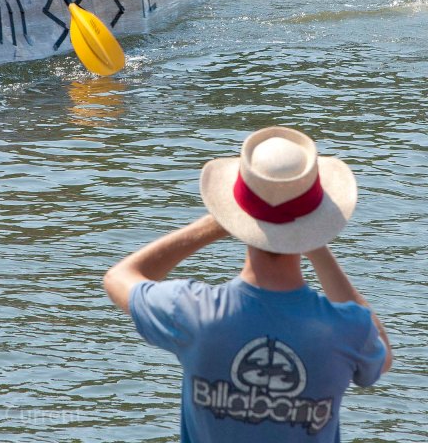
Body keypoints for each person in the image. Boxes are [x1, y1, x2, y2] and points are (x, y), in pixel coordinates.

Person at [103, 126, 392, 442]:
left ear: (236, 214)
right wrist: (315, 242)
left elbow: (118, 277)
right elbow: (382, 356)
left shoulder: (191, 311)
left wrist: (211, 226)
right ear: (316, 221)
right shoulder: (347, 329)